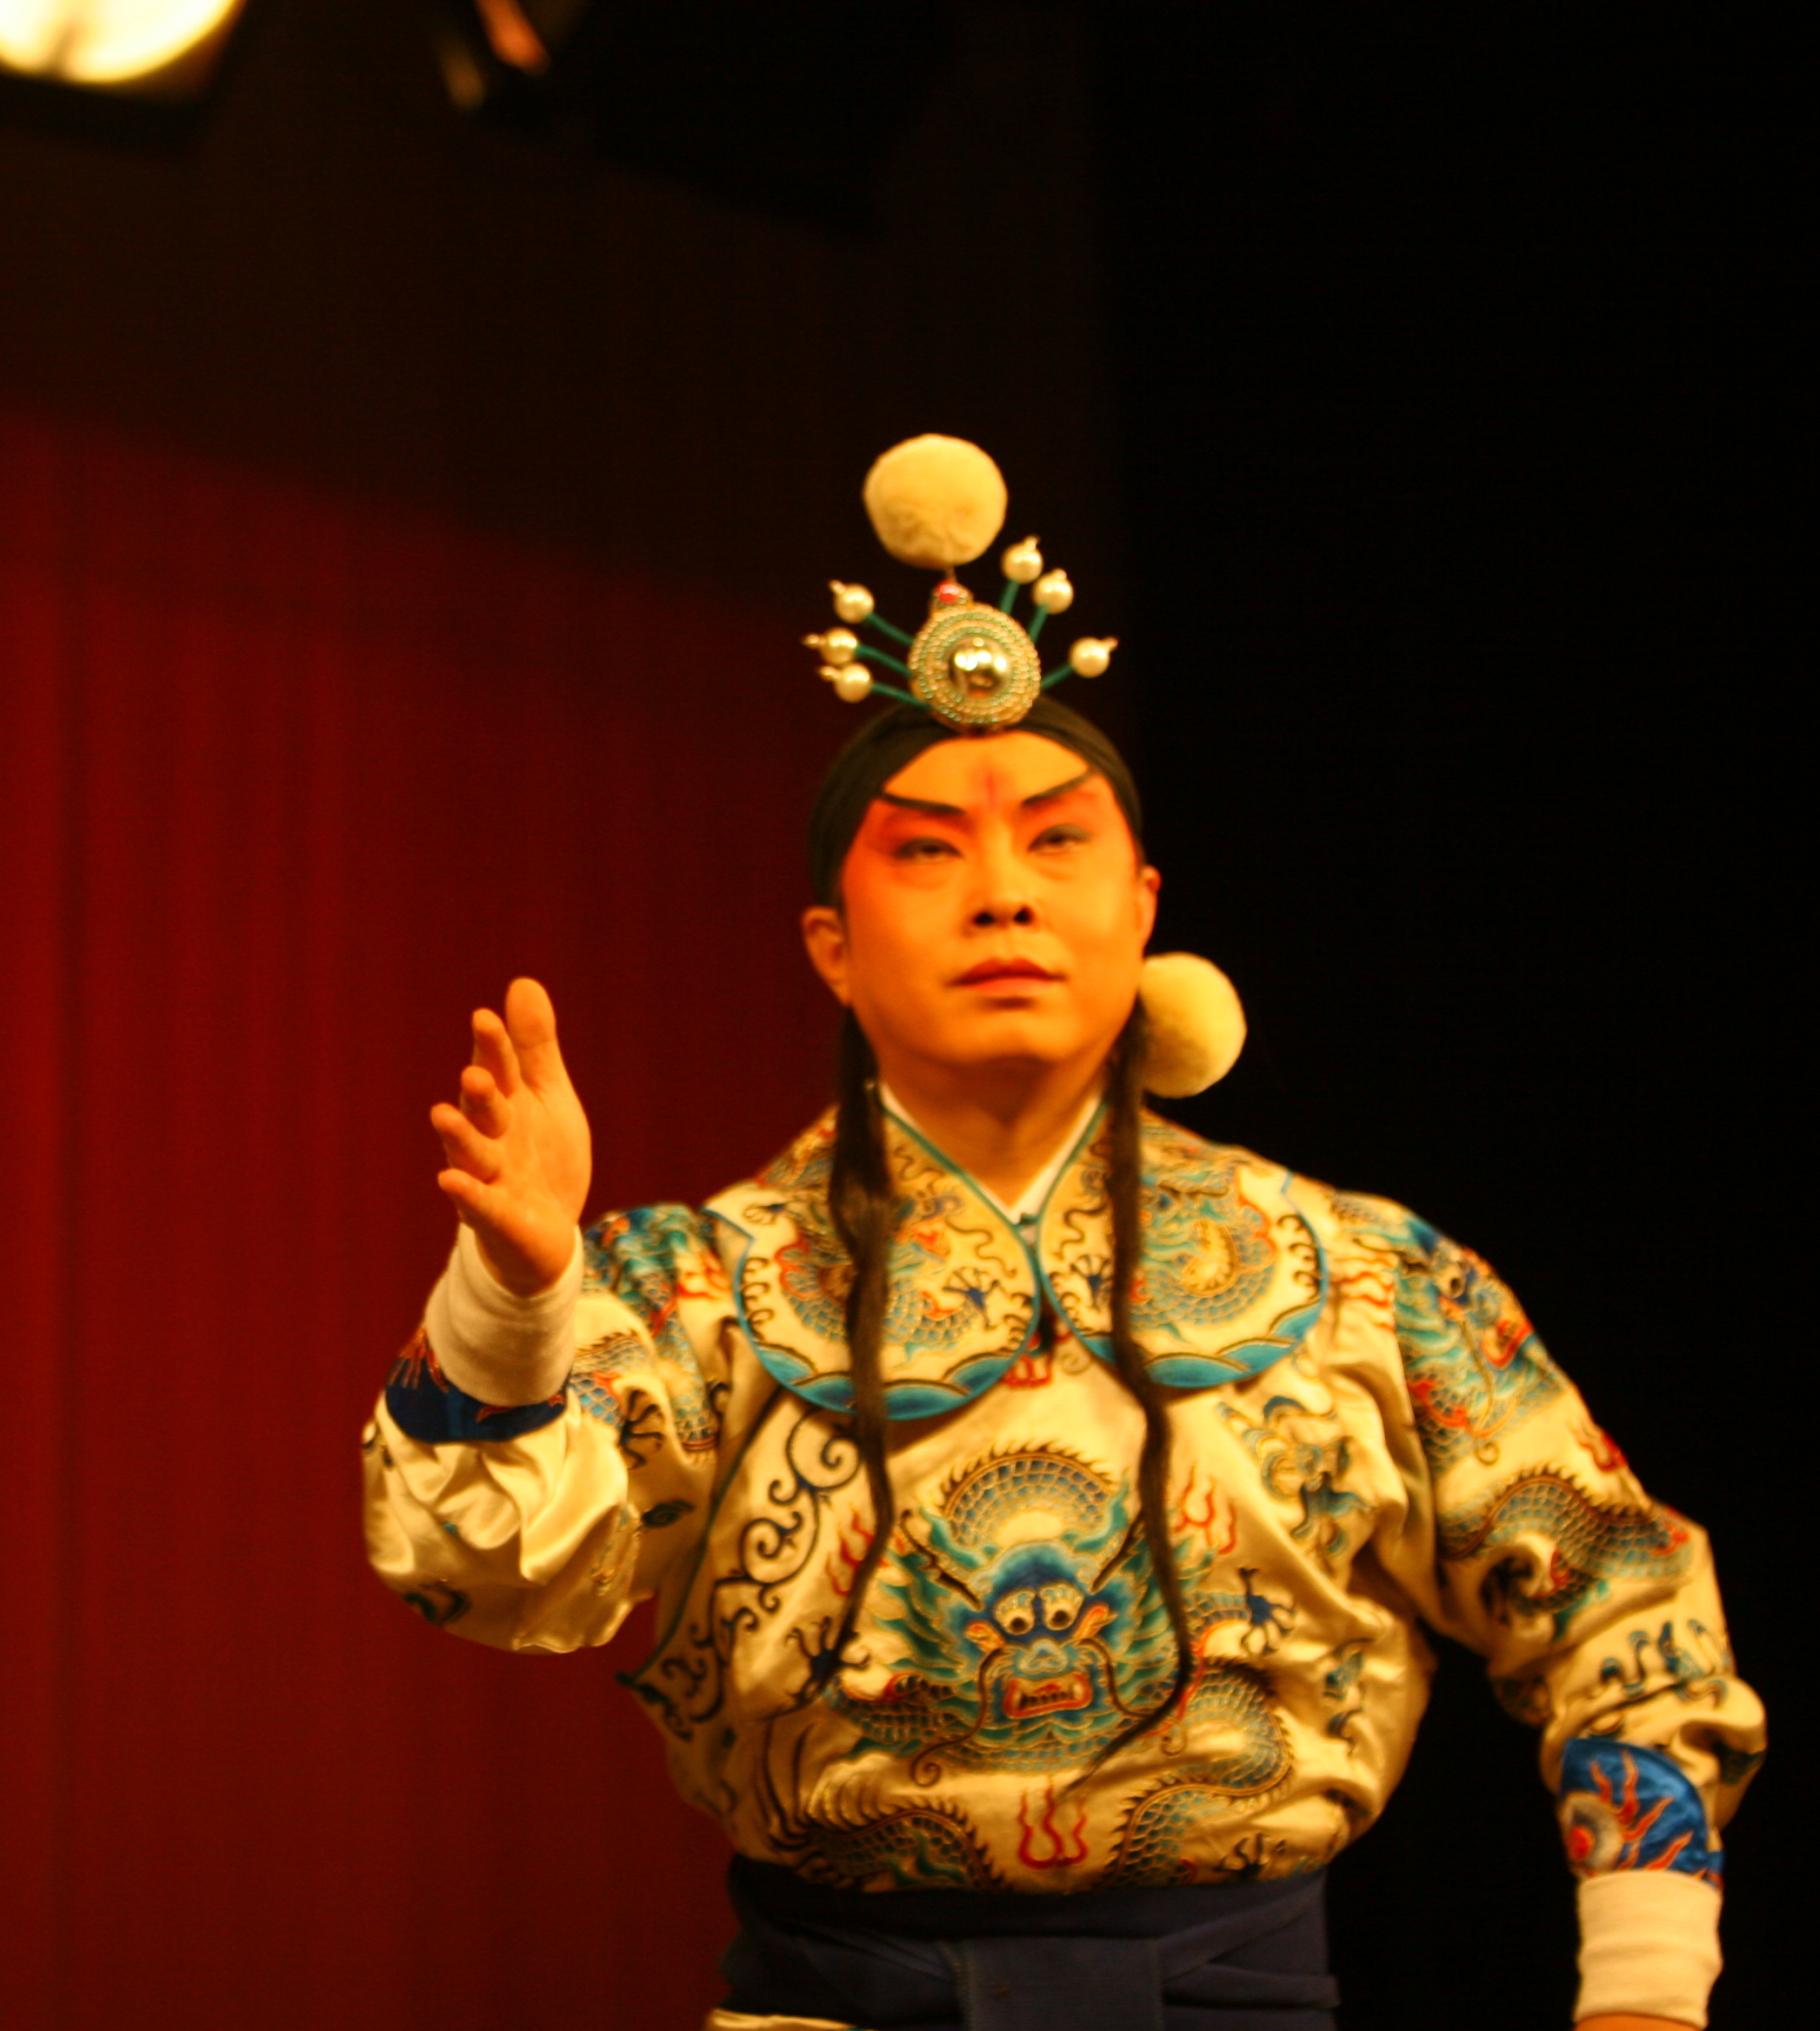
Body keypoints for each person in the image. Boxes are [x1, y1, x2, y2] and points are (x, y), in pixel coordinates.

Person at [361, 437, 1758, 2031]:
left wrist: (1648, 1988)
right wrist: (518, 1295)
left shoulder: (1363, 1276)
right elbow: (478, 1575)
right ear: (830, 941)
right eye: (930, 850)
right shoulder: (700, 1284)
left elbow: (1622, 1606)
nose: (1002, 894)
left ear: (1144, 905)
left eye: (1056, 839)